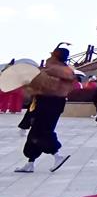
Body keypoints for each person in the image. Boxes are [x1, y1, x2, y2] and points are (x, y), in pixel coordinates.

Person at [14, 45, 75, 174]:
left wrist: (29, 84)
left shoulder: (52, 70)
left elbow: (46, 87)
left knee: (42, 132)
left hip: (47, 103)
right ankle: (30, 163)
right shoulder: (66, 70)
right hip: (54, 103)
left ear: (55, 56)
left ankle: (57, 155)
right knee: (36, 132)